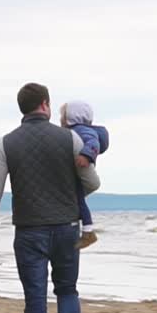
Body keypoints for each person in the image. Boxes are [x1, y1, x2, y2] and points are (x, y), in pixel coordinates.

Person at [0, 83, 100, 313]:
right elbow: (93, 182)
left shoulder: (6, 143)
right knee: (67, 290)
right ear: (45, 105)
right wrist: (70, 197)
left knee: (35, 298)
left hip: (29, 231)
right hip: (67, 227)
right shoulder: (70, 138)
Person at [59, 100, 110, 249]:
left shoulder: (81, 130)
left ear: (72, 117)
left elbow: (93, 142)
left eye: (63, 115)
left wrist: (86, 156)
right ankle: (86, 230)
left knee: (78, 199)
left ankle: (88, 232)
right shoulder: (78, 130)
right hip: (77, 168)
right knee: (78, 200)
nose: (61, 119)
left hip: (81, 167)